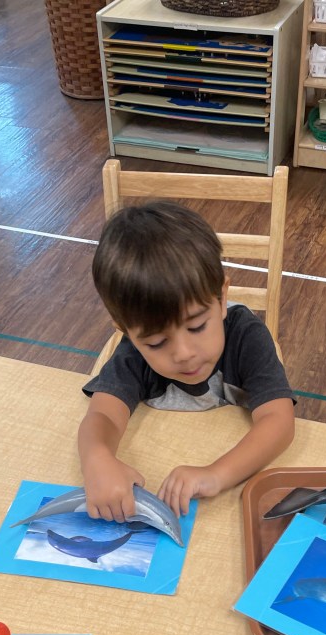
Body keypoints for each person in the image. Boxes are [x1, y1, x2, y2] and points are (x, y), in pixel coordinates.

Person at [78, 200, 296, 521]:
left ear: (222, 298)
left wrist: (216, 474)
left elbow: (279, 421)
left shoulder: (246, 337)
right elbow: (103, 415)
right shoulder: (133, 353)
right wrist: (97, 458)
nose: (183, 353)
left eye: (197, 327)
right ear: (126, 331)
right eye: (156, 342)